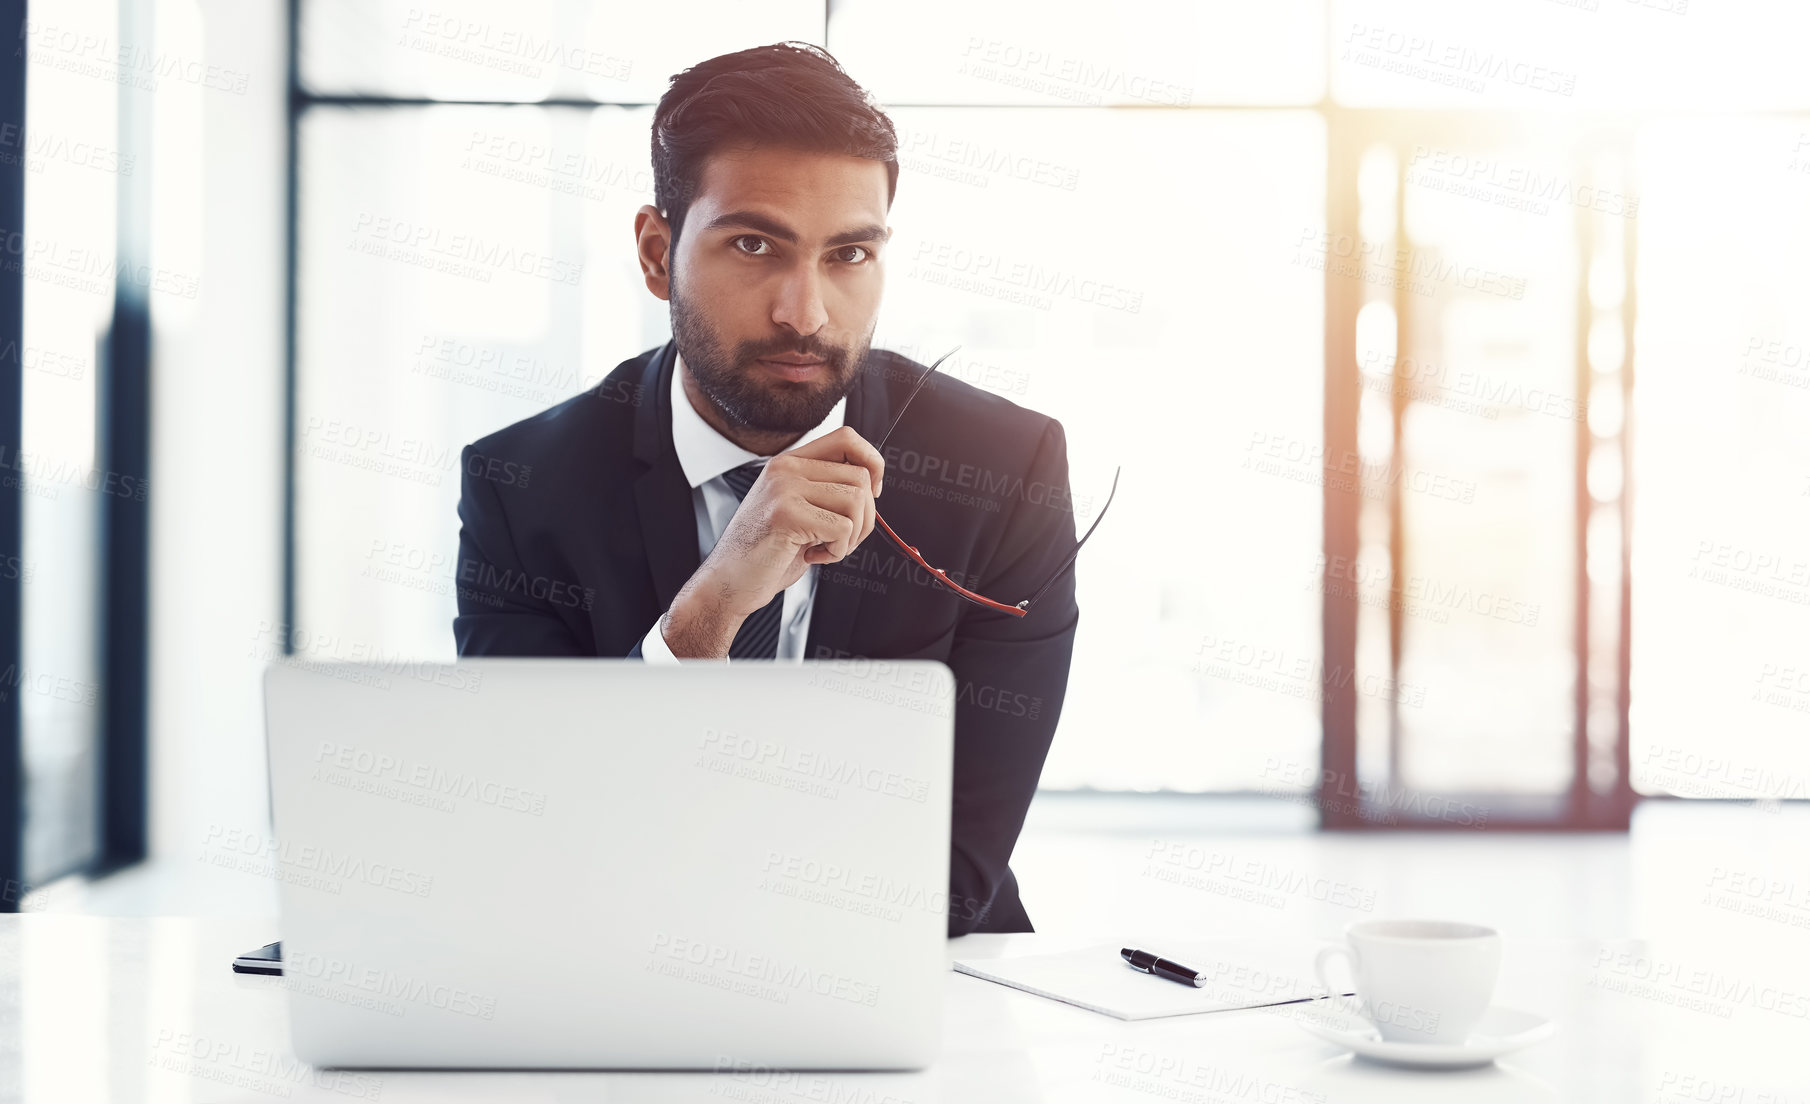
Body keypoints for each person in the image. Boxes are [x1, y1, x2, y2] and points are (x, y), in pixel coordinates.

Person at [453, 42, 1080, 936]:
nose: (807, 312)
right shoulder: (524, 487)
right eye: (755, 245)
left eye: (850, 254)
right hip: (611, 962)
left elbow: (956, 865)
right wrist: (708, 610)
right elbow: (537, 831)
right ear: (655, 250)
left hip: (917, 973)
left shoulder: (1005, 472)